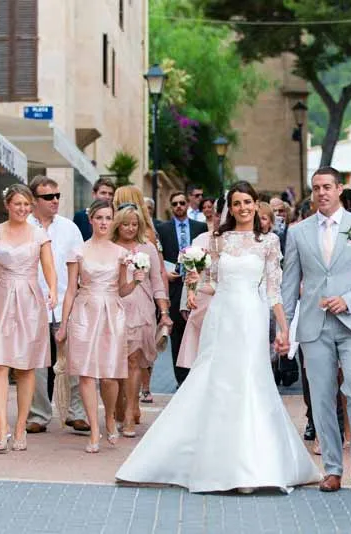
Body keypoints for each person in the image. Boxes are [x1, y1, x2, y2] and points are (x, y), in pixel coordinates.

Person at [116, 181, 320, 493]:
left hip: (251, 317)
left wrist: (282, 327)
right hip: (222, 315)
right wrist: (194, 285)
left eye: (247, 202)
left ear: (255, 204)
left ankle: (249, 467)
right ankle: (196, 460)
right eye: (237, 203)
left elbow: (273, 290)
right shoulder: (218, 240)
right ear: (230, 207)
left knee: (250, 383)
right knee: (215, 381)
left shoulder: (268, 242)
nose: (243, 208)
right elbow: (210, 280)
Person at [282, 166, 351, 493]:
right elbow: (288, 284)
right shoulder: (298, 232)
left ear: (339, 189)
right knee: (322, 397)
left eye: (327, 186)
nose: (322, 193)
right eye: (316, 188)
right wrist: (282, 327)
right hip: (314, 325)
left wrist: (349, 299)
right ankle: (332, 468)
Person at [0, 184, 57, 453]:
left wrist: (54, 292)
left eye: (26, 204)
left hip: (28, 299)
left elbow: (48, 267)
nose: (22, 209)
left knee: (25, 366)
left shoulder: (39, 234)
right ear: (8, 205)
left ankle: (21, 427)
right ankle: (1, 428)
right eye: (17, 204)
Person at [56, 200, 138, 453]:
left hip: (112, 312)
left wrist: (137, 281)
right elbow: (70, 290)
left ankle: (110, 416)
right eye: (99, 217)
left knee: (110, 375)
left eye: (108, 217)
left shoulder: (121, 254)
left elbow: (123, 290)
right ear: (90, 219)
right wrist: (63, 324)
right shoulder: (78, 251)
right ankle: (93, 429)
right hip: (84, 310)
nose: (104, 222)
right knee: (86, 373)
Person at [26, 176, 89, 435]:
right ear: (33, 200)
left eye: (57, 196)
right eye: (48, 197)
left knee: (74, 360)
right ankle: (38, 415)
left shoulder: (70, 228)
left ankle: (78, 413)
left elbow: (79, 266)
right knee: (37, 363)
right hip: (32, 303)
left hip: (66, 301)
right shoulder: (24, 227)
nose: (55, 201)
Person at [112, 204, 171, 437]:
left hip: (142, 309)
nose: (129, 228)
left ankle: (129, 412)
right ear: (118, 225)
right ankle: (119, 406)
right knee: (116, 363)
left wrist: (164, 312)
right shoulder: (110, 248)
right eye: (125, 224)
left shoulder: (148, 249)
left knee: (135, 361)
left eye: (134, 224)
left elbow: (157, 281)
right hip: (114, 308)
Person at [155, 191, 208, 386]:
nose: (179, 206)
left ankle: (197, 374)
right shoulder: (163, 228)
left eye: (182, 203)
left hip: (198, 287)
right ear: (171, 206)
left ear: (188, 205)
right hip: (175, 286)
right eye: (175, 203)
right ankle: (181, 378)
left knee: (197, 331)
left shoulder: (200, 227)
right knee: (177, 334)